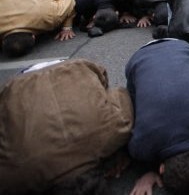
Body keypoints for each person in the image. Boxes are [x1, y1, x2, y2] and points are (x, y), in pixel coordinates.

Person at [0, 59, 133, 194]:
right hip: (17, 85)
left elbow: (120, 95)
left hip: (72, 67)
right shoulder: (13, 178)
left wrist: (117, 148)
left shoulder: (114, 133)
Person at [126, 39, 189, 195]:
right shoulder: (142, 146)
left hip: (182, 47)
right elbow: (133, 151)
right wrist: (146, 173)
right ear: (161, 168)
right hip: (138, 59)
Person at [0, 0, 76, 57]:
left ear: (33, 37)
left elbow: (70, 1)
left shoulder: (51, 17)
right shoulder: (50, 16)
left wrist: (67, 27)